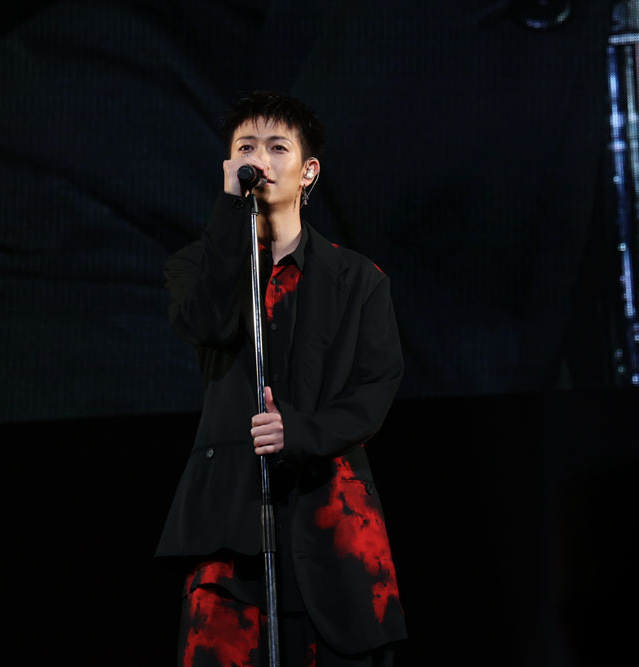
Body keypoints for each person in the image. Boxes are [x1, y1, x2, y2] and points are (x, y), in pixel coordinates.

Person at [155, 91, 407, 666]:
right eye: (246, 148)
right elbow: (207, 323)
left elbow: (375, 389)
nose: (260, 161)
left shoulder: (358, 280)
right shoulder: (196, 267)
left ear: (308, 170)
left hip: (331, 516)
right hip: (231, 518)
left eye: (276, 147)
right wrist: (229, 215)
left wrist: (301, 431)